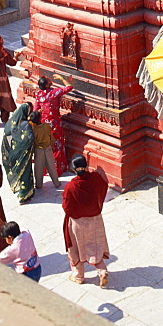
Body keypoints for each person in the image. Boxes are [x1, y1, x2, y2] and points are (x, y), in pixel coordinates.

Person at [62, 155, 110, 286]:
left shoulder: (71, 187)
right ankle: (102, 271)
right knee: (95, 247)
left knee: (76, 249)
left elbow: (66, 207)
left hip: (77, 223)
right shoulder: (95, 178)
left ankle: (78, 276)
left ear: (74, 169)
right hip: (95, 220)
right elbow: (104, 186)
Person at [33, 76, 74, 175]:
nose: (51, 79)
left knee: (46, 145)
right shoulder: (53, 93)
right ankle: (56, 169)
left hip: (43, 124)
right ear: (47, 84)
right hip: (55, 123)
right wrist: (61, 78)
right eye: (49, 79)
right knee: (57, 144)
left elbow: (35, 109)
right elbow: (69, 87)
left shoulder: (39, 94)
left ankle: (45, 169)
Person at [1, 102, 35, 203]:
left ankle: (20, 187)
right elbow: (30, 138)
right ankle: (24, 194)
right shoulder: (25, 125)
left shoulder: (11, 122)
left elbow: (6, 136)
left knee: (19, 170)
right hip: (23, 152)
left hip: (13, 151)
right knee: (25, 172)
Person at [30, 110, 61, 190]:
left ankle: (39, 184)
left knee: (38, 168)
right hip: (48, 149)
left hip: (38, 150)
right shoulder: (47, 126)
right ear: (40, 118)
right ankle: (56, 183)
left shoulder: (33, 130)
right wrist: (52, 144)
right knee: (51, 166)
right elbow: (51, 137)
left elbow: (33, 141)